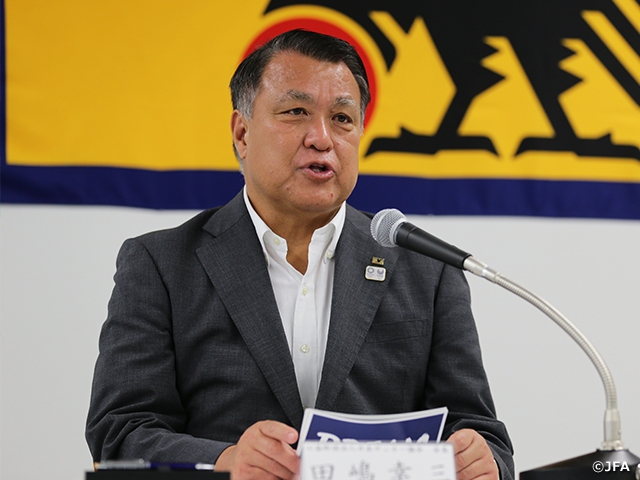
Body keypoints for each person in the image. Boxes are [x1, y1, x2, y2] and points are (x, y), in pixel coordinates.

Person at [86, 29, 514, 480]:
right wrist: (226, 461)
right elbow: (121, 432)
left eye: (342, 118)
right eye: (296, 112)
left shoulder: (428, 271)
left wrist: (482, 459)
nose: (322, 138)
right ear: (242, 133)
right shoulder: (161, 264)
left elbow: (482, 435)